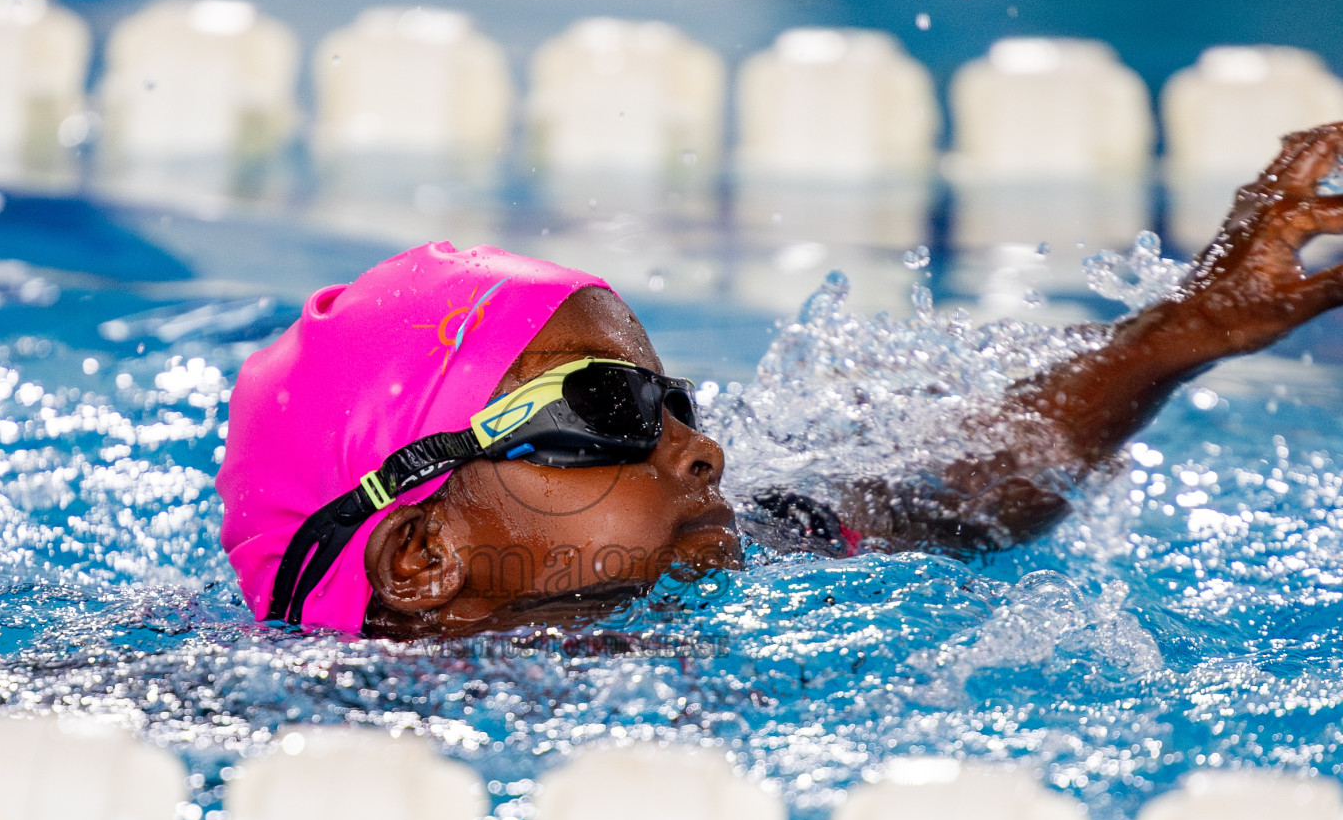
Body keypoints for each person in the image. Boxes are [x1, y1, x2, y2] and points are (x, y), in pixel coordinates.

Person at [217, 124, 1343, 639]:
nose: (700, 451)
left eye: (673, 404)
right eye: (604, 409)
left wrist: (1184, 332)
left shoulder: (756, 548)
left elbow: (965, 496)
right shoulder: (297, 732)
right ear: (423, 557)